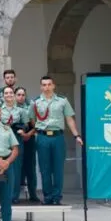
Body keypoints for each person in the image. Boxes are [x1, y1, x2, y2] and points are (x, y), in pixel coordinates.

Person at [32, 75, 83, 205]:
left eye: (49, 84)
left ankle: (57, 197)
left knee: (58, 168)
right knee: (44, 169)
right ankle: (48, 197)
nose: (46, 87)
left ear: (53, 85)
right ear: (40, 86)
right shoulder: (36, 102)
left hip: (57, 137)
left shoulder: (62, 101)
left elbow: (69, 119)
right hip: (43, 137)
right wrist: (37, 130)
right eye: (44, 85)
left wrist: (76, 135)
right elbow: (31, 119)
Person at [1, 86, 34, 205]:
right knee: (2, 167)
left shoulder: (21, 111)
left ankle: (14, 195)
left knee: (16, 168)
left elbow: (25, 124)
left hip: (16, 138)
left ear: (14, 95)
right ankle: (2, 195)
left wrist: (23, 130)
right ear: (3, 95)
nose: (9, 95)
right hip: (3, 140)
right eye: (6, 93)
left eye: (11, 93)